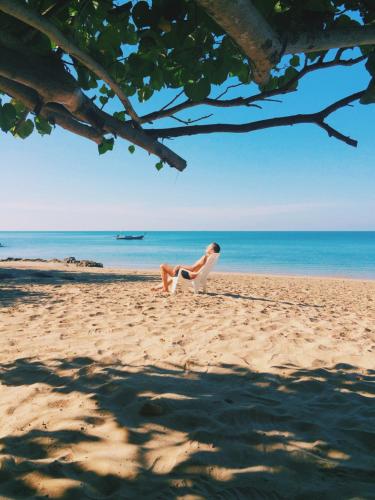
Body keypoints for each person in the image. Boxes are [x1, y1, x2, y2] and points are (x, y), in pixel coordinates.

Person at [153, 242, 221, 293]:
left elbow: (193, 268)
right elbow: (195, 268)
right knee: (174, 275)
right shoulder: (212, 258)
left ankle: (165, 289)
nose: (206, 247)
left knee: (163, 266)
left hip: (191, 275)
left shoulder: (205, 257)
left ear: (212, 250)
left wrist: (180, 266)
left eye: (208, 247)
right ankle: (157, 287)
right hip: (196, 275)